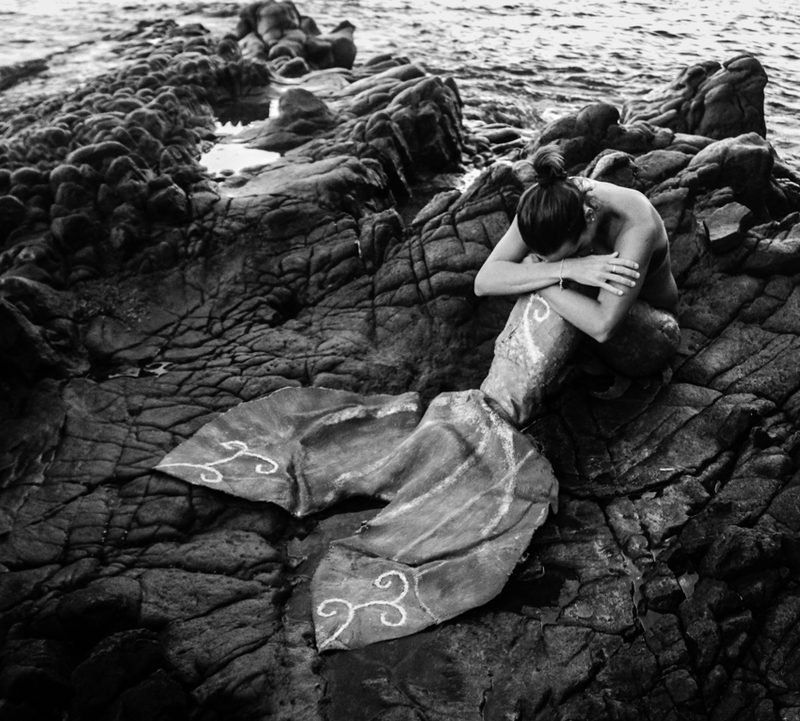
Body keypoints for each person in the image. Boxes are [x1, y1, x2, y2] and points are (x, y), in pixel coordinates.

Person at [474, 144, 680, 426]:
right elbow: (484, 281)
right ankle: (494, 406)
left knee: (546, 280)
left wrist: (539, 273)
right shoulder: (547, 201)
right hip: (588, 330)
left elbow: (602, 326)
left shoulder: (636, 224)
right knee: (551, 277)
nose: (567, 260)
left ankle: (500, 415)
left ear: (590, 217)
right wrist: (565, 268)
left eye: (573, 251)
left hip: (651, 332)